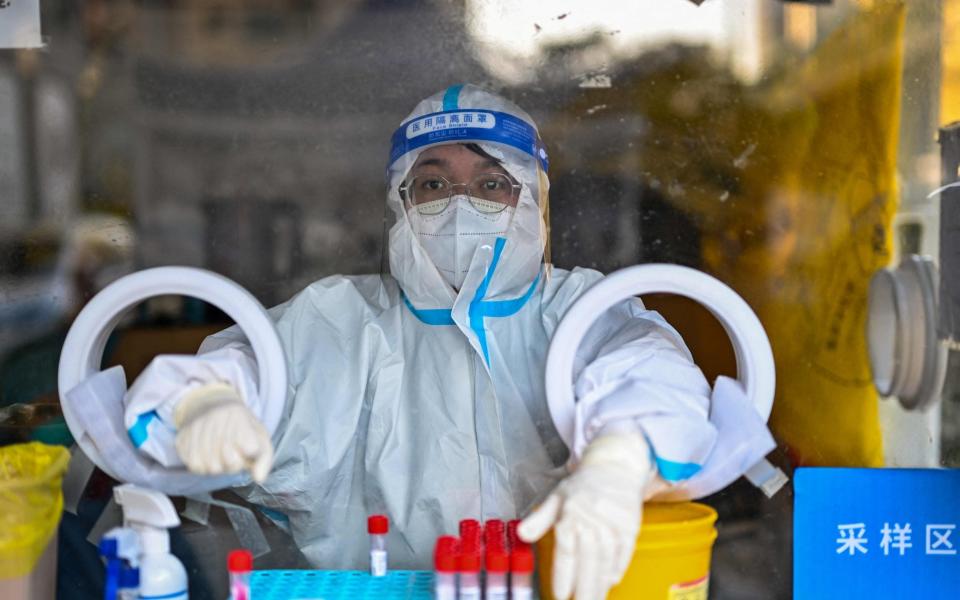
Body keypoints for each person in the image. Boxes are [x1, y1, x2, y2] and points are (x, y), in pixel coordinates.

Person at [121, 85, 748, 600]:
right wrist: (202, 404)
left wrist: (618, 459)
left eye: (492, 184)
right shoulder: (343, 318)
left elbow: (651, 371)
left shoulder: (579, 310)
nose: (460, 205)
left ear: (533, 201)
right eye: (433, 185)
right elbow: (241, 368)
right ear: (402, 202)